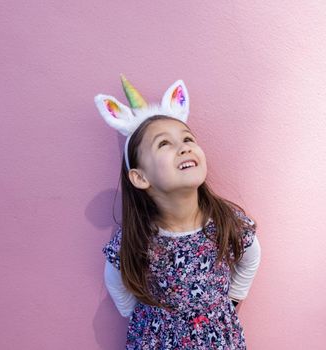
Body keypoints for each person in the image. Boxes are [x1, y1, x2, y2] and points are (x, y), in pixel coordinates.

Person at [95, 75, 262, 349]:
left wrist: (230, 300)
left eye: (187, 138)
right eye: (164, 144)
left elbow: (251, 254)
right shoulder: (137, 240)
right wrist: (142, 317)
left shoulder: (225, 223)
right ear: (140, 178)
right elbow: (115, 281)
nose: (184, 146)